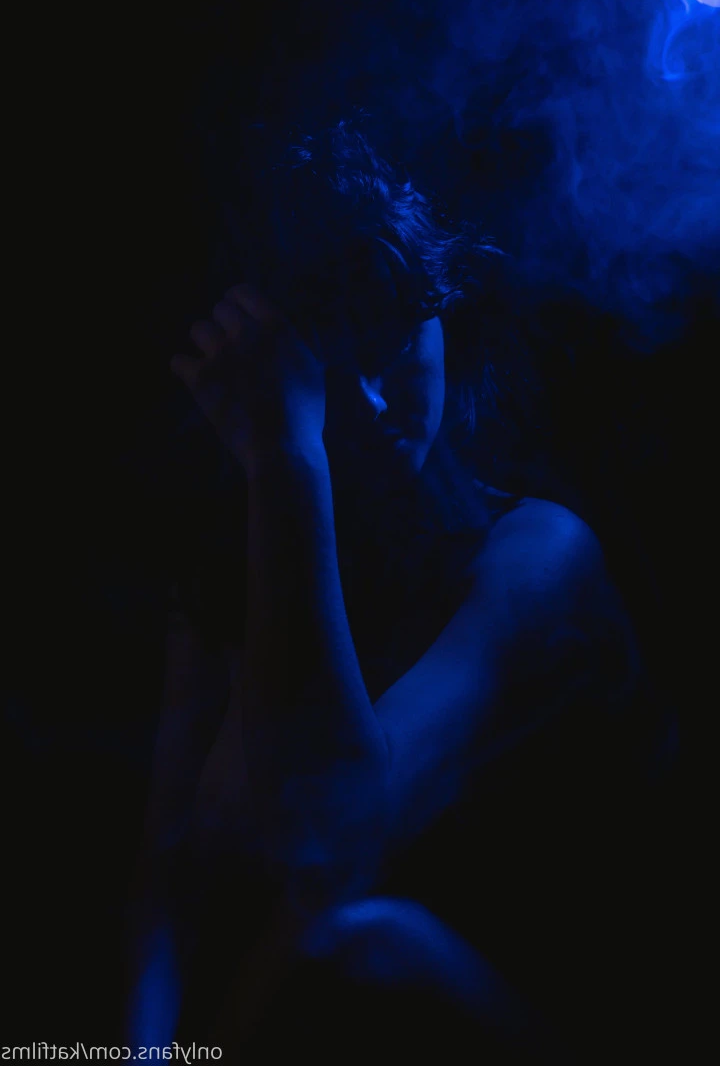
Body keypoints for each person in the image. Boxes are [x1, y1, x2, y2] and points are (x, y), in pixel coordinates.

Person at [126, 117, 644, 1062]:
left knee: (369, 949)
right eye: (326, 366)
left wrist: (288, 457)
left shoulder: (538, 556)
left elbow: (331, 834)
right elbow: (169, 884)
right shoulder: (232, 579)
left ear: (440, 314)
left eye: (392, 337)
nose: (368, 399)